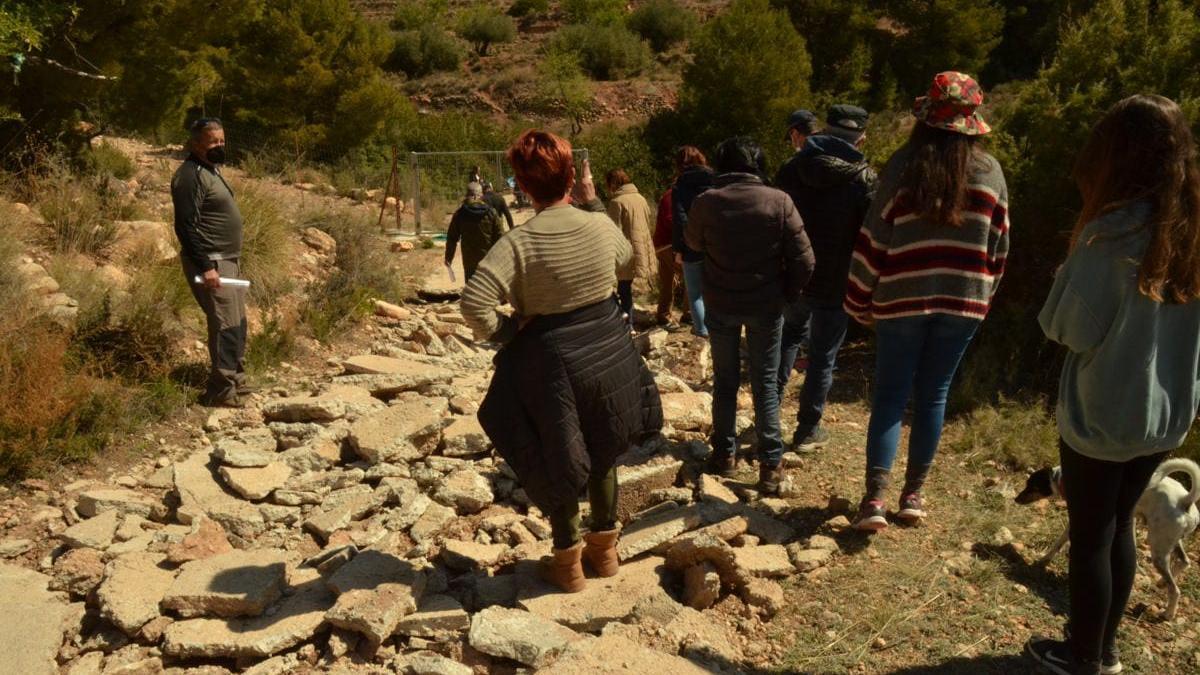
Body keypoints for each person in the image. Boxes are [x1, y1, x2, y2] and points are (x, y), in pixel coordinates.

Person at [1025, 94, 1200, 675]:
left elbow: (1065, 328)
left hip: (1104, 415)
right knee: (1120, 524)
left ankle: (1081, 657)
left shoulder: (1111, 234)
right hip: (1168, 415)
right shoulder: (1193, 229)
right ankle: (1103, 649)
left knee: (1092, 537)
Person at [464, 130, 662, 593]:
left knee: (561, 452)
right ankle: (606, 554)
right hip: (609, 345)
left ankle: (569, 564)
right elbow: (625, 256)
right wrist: (592, 205)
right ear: (572, 177)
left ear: (522, 185)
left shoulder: (520, 243)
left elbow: (475, 302)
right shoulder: (597, 224)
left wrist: (511, 330)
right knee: (605, 443)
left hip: (553, 359)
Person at [845, 72, 1009, 531]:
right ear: (971, 122)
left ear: (924, 119)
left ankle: (874, 500)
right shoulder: (991, 172)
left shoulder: (902, 166)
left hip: (901, 299)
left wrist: (858, 300)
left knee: (891, 396)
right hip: (964, 302)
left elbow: (873, 239)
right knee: (933, 395)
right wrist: (983, 297)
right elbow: (1000, 246)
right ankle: (913, 496)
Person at [687, 137, 815, 495]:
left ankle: (724, 454)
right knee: (765, 385)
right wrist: (786, 294)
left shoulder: (705, 203)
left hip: (720, 305)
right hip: (766, 307)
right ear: (758, 164)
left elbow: (693, 244)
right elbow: (806, 261)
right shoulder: (779, 201)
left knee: (725, 381)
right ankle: (770, 465)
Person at [775, 105, 877, 452]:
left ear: (826, 131)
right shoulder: (864, 179)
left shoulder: (792, 167)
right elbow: (870, 237)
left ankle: (768, 414)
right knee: (823, 356)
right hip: (837, 281)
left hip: (794, 273)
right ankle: (807, 430)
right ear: (861, 137)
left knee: (786, 337)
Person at [171, 117, 248, 408]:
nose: (220, 147)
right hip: (211, 263)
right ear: (195, 144)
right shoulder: (190, 176)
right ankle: (220, 392)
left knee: (237, 324)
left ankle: (237, 383)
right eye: (213, 142)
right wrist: (206, 267)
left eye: (222, 141)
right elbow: (186, 227)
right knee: (225, 325)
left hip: (227, 260)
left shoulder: (211, 170)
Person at [671, 146, 715, 337]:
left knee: (695, 292)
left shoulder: (679, 186)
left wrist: (679, 249)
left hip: (691, 245)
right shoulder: (716, 180)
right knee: (714, 288)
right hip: (716, 243)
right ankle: (717, 326)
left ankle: (702, 330)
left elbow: (680, 220)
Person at [605, 169, 657, 319]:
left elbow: (614, 231)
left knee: (623, 288)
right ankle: (630, 319)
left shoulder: (617, 202)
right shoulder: (640, 198)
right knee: (628, 287)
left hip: (626, 251)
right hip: (643, 247)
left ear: (613, 183)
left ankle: (628, 323)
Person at [445, 182, 505, 283]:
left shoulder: (460, 214)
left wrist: (448, 258)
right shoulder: (491, 213)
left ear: (467, 195)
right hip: (489, 260)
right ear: (481, 195)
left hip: (469, 260)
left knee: (471, 288)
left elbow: (452, 238)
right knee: (489, 288)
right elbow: (500, 237)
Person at [652, 185, 688, 326]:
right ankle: (688, 315)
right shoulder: (673, 194)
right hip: (669, 244)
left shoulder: (670, 194)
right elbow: (670, 220)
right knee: (690, 278)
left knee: (668, 281)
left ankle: (664, 314)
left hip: (665, 243)